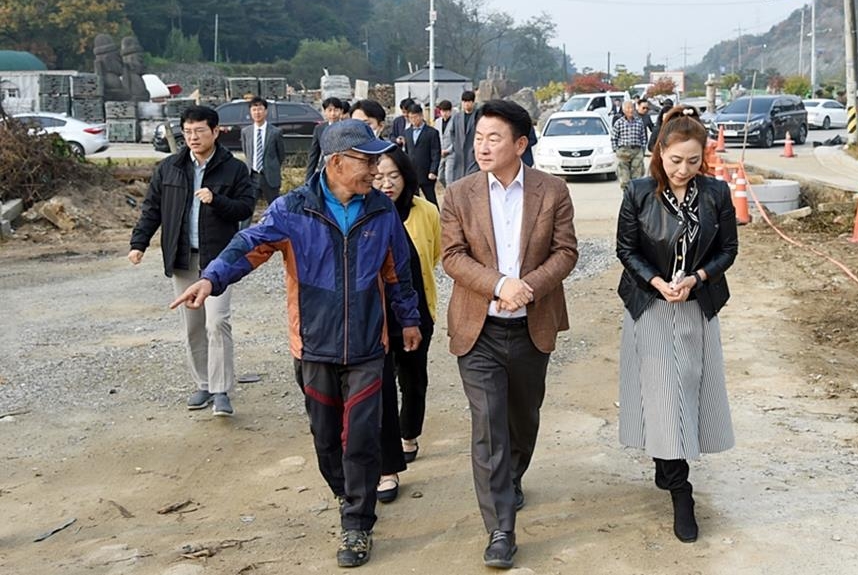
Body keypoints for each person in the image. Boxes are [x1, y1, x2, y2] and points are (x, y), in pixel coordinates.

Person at [170, 119, 422, 568]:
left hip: (367, 345)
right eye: (366, 161)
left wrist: (408, 321)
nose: (375, 169)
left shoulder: (381, 212)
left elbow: (398, 272)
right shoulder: (293, 210)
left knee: (361, 439)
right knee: (327, 440)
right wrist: (211, 278)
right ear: (337, 163)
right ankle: (349, 495)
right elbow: (249, 245)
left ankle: (356, 525)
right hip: (313, 345)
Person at [441, 99, 578, 569]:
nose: (482, 145)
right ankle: (500, 528)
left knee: (523, 418)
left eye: (493, 138)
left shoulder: (552, 191)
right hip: (477, 330)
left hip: (530, 329)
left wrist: (528, 289)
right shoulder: (458, 194)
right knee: (489, 427)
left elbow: (565, 252)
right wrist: (499, 285)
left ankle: (514, 476)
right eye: (478, 137)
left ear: (520, 143)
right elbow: (453, 257)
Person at [615, 105, 737, 544]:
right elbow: (625, 249)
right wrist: (656, 281)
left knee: (688, 388)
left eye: (693, 160)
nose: (684, 169)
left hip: (695, 304)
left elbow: (728, 250)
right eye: (675, 160)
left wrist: (697, 278)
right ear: (659, 153)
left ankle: (665, 464)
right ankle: (680, 488)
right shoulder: (639, 192)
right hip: (650, 306)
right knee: (662, 392)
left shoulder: (716, 194)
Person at [128, 105, 255, 417]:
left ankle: (222, 390)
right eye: (187, 132)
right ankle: (204, 384)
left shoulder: (234, 169)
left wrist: (217, 199)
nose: (193, 137)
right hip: (184, 258)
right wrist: (139, 243)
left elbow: (245, 208)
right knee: (193, 326)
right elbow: (152, 209)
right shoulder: (169, 167)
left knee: (217, 322)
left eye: (199, 131)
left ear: (215, 131)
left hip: (218, 260)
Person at [370, 148, 441, 501]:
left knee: (413, 380)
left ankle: (409, 432)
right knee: (380, 387)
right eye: (378, 177)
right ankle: (388, 466)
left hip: (416, 312)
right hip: (375, 318)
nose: (386, 184)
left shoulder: (425, 211)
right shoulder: (364, 212)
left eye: (393, 176)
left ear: (406, 176)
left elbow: (437, 254)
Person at [240, 96, 286, 225]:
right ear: (250, 112)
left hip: (269, 176)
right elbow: (246, 152)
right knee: (247, 208)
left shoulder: (275, 132)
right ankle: (241, 237)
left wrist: (271, 167)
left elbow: (280, 155)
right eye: (254, 109)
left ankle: (280, 234)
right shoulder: (246, 132)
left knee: (276, 208)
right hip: (252, 176)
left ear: (266, 111)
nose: (257, 112)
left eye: (260, 109)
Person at [402, 103, 442, 206]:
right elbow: (407, 152)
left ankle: (436, 219)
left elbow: (435, 153)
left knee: (430, 199)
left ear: (421, 116)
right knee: (414, 200)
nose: (413, 120)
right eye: (410, 118)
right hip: (412, 171)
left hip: (426, 172)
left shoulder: (432, 133)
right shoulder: (407, 133)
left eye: (415, 117)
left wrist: (433, 170)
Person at [306, 97, 346, 181]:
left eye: (336, 110)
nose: (333, 113)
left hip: (343, 170)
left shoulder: (347, 128)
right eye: (330, 110)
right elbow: (314, 154)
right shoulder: (319, 129)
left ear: (341, 111)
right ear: (325, 112)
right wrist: (309, 178)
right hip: (324, 169)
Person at [611, 100, 647, 191]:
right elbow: (614, 137)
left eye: (632, 108)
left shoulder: (639, 122)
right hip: (623, 151)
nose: (630, 110)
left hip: (637, 150)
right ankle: (627, 195)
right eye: (628, 108)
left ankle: (636, 195)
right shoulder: (619, 123)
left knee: (637, 176)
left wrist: (643, 149)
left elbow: (643, 136)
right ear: (623, 110)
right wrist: (616, 149)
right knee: (624, 176)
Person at [447, 90, 478, 184]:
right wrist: (456, 145)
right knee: (459, 178)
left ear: (473, 102)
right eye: (464, 102)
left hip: (473, 152)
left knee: (473, 178)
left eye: (468, 102)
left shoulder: (478, 116)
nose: (466, 104)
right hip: (459, 152)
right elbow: (452, 132)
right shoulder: (457, 117)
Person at [436, 100, 455, 186]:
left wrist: (448, 150)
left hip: (451, 153)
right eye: (442, 111)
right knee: (440, 176)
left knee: (449, 176)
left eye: (446, 111)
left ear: (450, 111)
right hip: (440, 152)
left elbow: (457, 139)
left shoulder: (455, 121)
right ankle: (449, 191)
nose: (444, 113)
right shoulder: (437, 122)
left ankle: (449, 194)